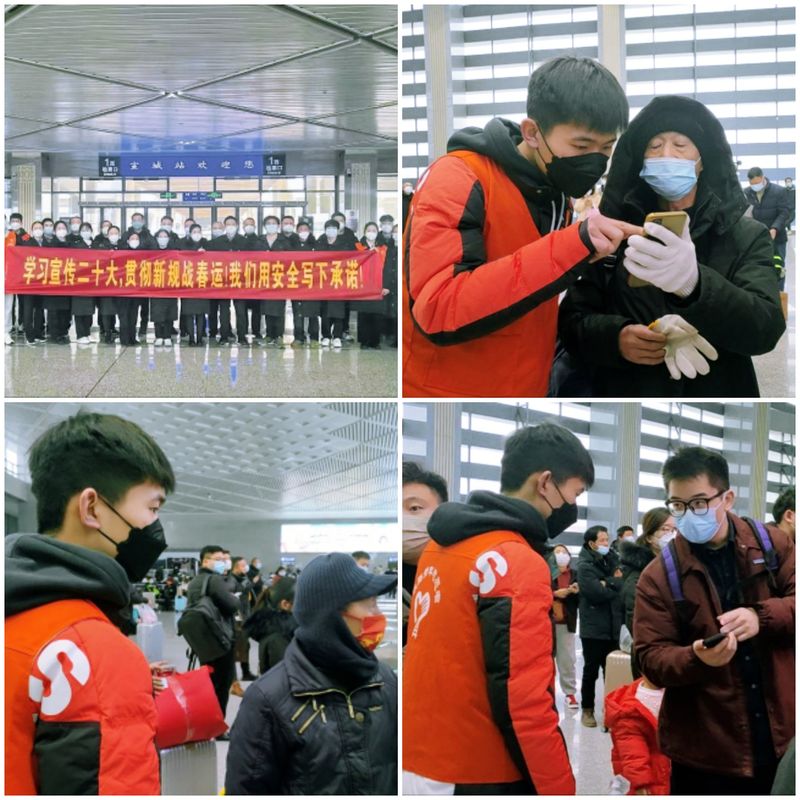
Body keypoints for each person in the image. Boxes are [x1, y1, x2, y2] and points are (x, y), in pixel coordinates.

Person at [403, 55, 638, 397]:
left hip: (529, 385)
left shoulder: (557, 194)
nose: (595, 160)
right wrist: (572, 245)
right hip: (446, 393)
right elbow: (438, 307)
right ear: (532, 133)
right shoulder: (459, 177)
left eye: (607, 148)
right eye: (581, 146)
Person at [404, 423, 594, 794]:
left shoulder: (438, 547)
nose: (573, 506)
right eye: (575, 493)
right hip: (481, 766)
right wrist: (559, 788)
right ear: (545, 483)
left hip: (422, 755)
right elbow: (525, 701)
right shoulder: (514, 559)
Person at [559, 96, 785, 398]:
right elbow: (571, 321)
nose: (666, 155)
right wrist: (615, 337)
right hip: (628, 391)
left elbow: (766, 329)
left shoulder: (745, 235)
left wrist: (695, 285)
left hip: (717, 391)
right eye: (654, 147)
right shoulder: (615, 234)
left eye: (680, 145)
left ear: (702, 160)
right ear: (640, 161)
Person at [5, 411, 175, 794]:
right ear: (92, 508)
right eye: (152, 508)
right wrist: (113, 675)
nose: (155, 526)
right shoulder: (92, 648)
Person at [634, 446, 795, 795]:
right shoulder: (659, 575)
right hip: (706, 751)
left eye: (699, 503)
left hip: (781, 735)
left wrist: (761, 616)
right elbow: (649, 657)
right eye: (678, 505)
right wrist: (695, 657)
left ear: (727, 498)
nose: (688, 514)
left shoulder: (772, 545)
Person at [225, 552, 397, 795]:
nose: (378, 614)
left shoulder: (385, 680)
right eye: (370, 604)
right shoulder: (269, 700)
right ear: (332, 616)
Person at [186, 545, 241, 729]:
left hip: (203, 639)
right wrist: (235, 598)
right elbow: (232, 605)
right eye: (218, 559)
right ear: (206, 561)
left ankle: (205, 721)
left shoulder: (195, 581)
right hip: (220, 638)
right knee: (221, 684)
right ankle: (216, 725)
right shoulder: (214, 580)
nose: (223, 562)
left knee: (209, 682)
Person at [620, 508, 676, 679]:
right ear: (650, 537)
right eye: (665, 529)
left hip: (676, 655)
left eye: (675, 529)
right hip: (652, 657)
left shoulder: (675, 568)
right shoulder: (640, 577)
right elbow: (638, 625)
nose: (672, 535)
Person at [577, 524, 623, 728]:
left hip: (613, 625)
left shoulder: (613, 559)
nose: (606, 543)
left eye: (607, 539)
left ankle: (611, 710)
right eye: (602, 540)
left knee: (612, 671)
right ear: (592, 543)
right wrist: (613, 583)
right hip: (593, 628)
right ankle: (587, 710)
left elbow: (623, 583)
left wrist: (607, 582)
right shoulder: (584, 566)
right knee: (591, 671)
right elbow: (596, 593)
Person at [401, 461, 448, 646]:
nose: (403, 519)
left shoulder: (463, 572)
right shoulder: (386, 586)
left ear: (442, 513)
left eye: (414, 508)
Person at [605, 673, 671, 795]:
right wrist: (640, 784)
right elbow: (633, 756)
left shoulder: (675, 692)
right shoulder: (629, 711)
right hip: (651, 779)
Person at [744, 167, 792, 289]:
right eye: (752, 184)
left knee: (778, 267)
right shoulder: (747, 193)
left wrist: (775, 228)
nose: (755, 186)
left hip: (777, 239)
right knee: (759, 269)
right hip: (757, 239)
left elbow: (784, 212)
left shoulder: (779, 191)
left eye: (757, 183)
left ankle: (779, 295)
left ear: (763, 178)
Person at [243, 575, 297, 674]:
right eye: (300, 602)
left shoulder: (278, 629)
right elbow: (283, 675)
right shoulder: (279, 636)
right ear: (285, 604)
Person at [207, 216, 246, 346]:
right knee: (224, 310)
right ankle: (224, 336)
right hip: (222, 282)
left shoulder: (244, 241)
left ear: (237, 226)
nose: (230, 227)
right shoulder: (216, 242)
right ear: (224, 226)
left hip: (240, 281)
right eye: (228, 224)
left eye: (232, 224)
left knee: (241, 311)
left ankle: (242, 337)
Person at [253, 215, 290, 348]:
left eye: (274, 223)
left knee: (279, 307)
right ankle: (269, 334)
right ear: (265, 226)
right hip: (265, 277)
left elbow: (291, 258)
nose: (271, 225)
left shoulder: (284, 241)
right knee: (267, 307)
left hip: (280, 278)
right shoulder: (260, 240)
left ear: (278, 225)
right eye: (268, 223)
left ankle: (279, 335)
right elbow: (253, 258)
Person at [551, 542, 580, 710]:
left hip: (566, 622)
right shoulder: (546, 573)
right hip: (546, 622)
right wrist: (554, 593)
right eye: (557, 552)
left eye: (564, 552)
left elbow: (582, 598)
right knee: (545, 659)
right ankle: (546, 693)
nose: (561, 554)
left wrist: (575, 591)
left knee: (567, 659)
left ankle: (570, 693)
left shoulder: (575, 574)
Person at [357, 221, 388, 349]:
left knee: (377, 314)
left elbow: (387, 268)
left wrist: (386, 285)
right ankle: (364, 341)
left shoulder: (383, 248)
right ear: (364, 232)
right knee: (363, 314)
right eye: (369, 230)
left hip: (378, 285)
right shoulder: (358, 246)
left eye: (374, 230)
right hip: (363, 285)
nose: (371, 233)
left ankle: (375, 341)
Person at [19, 220, 48, 346]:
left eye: (40, 227)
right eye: (35, 228)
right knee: (28, 308)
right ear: (31, 230)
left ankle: (38, 333)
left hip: (42, 280)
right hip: (29, 280)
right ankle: (29, 335)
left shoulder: (46, 242)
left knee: (40, 308)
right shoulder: (27, 241)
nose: (38, 230)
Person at [180, 223, 210, 346]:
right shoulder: (183, 244)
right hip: (188, 283)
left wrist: (206, 254)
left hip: (202, 283)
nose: (197, 234)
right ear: (190, 233)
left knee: (201, 313)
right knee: (188, 313)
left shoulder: (207, 244)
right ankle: (191, 338)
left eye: (199, 231)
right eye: (194, 232)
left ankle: (200, 338)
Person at [93, 225, 124, 344]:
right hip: (105, 282)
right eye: (111, 233)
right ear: (107, 235)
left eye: (116, 233)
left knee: (117, 308)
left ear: (119, 235)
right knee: (106, 308)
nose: (114, 235)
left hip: (120, 283)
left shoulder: (123, 246)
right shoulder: (102, 246)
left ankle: (114, 328)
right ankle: (107, 332)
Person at [230, 556, 257, 687]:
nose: (246, 567)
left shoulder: (243, 578)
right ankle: (233, 677)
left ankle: (246, 672)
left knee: (245, 645)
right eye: (243, 565)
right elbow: (236, 597)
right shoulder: (231, 581)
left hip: (245, 616)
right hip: (237, 619)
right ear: (235, 567)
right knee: (236, 647)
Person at [71, 222, 98, 344]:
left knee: (89, 310)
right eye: (83, 229)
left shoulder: (95, 245)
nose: (85, 231)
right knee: (79, 309)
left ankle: (87, 333)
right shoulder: (75, 245)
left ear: (91, 231)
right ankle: (80, 335)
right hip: (79, 282)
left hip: (92, 281)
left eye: (88, 229)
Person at [293, 219, 319, 346]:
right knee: (297, 311)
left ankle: (314, 337)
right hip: (296, 282)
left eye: (306, 230)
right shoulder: (292, 245)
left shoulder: (316, 245)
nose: (303, 232)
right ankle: (299, 336)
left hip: (312, 282)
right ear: (297, 231)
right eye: (300, 230)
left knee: (313, 312)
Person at [150, 228, 177, 346]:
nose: (163, 239)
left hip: (170, 286)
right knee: (157, 312)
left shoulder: (174, 252)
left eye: (165, 236)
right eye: (160, 236)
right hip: (156, 286)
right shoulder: (152, 252)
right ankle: (158, 336)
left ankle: (167, 336)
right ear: (156, 238)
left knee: (169, 312)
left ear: (169, 239)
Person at [378, 214, 398, 347]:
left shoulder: (394, 242)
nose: (387, 226)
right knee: (383, 308)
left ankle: (392, 334)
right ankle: (383, 332)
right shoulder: (378, 240)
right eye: (384, 223)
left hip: (394, 281)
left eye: (389, 223)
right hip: (382, 279)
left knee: (394, 309)